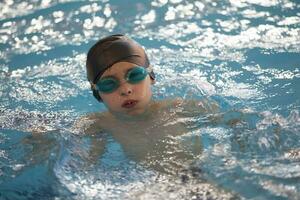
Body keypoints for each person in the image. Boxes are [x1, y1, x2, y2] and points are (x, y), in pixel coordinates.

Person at [77, 34, 219, 175]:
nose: (126, 90)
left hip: (198, 175)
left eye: (134, 75)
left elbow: (232, 120)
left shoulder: (178, 108)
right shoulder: (100, 124)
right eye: (109, 84)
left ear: (150, 76)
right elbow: (84, 164)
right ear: (98, 94)